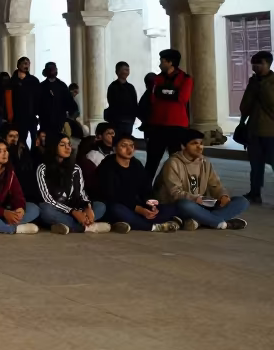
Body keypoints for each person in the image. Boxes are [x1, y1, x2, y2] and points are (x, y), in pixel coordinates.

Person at [158, 129, 249, 230]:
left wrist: (223, 195)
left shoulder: (205, 161)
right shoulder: (173, 163)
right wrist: (195, 199)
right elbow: (174, 193)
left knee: (242, 201)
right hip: (178, 205)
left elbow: (215, 184)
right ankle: (221, 223)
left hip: (202, 204)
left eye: (201, 143)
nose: (200, 147)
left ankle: (200, 221)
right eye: (194, 143)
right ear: (183, 146)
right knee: (184, 204)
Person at [95, 135, 176, 233]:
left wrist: (151, 205)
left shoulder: (136, 164)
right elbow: (112, 195)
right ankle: (153, 227)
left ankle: (128, 223)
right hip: (117, 204)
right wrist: (138, 209)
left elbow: (146, 189)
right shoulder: (107, 166)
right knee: (117, 210)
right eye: (124, 146)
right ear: (115, 148)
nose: (129, 149)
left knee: (168, 208)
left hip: (136, 205)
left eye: (131, 146)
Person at [35, 133, 110, 234]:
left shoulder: (75, 168)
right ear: (53, 146)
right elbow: (47, 199)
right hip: (58, 209)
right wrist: (72, 212)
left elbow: (82, 194)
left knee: (100, 206)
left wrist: (87, 207)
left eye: (69, 144)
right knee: (45, 210)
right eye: (62, 145)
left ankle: (68, 225)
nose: (67, 148)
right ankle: (86, 227)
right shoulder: (42, 168)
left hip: (74, 208)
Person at [145, 48, 194, 182]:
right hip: (157, 125)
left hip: (177, 126)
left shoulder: (185, 78)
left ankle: (179, 189)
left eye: (162, 61)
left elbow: (182, 97)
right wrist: (172, 92)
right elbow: (153, 98)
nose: (159, 64)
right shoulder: (157, 78)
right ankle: (145, 191)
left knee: (178, 162)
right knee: (152, 162)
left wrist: (164, 92)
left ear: (170, 62)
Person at [239, 49, 274, 205]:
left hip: (271, 132)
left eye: (258, 64)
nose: (255, 67)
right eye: (253, 64)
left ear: (267, 64)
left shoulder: (271, 82)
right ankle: (255, 193)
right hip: (254, 130)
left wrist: (263, 87)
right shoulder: (253, 82)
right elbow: (244, 106)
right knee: (255, 165)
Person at [7, 57, 39, 146]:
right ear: (18, 65)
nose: (27, 66)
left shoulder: (33, 80)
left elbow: (38, 98)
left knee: (35, 139)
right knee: (21, 140)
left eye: (28, 63)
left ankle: (33, 157)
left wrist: (37, 112)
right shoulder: (12, 81)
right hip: (18, 117)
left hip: (31, 116)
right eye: (24, 63)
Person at [105, 62, 138, 139]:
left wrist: (134, 116)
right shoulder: (113, 87)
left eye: (128, 70)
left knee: (126, 139)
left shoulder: (130, 87)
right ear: (118, 71)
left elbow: (134, 103)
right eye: (125, 70)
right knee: (117, 140)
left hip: (129, 120)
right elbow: (112, 103)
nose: (127, 72)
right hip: (117, 120)